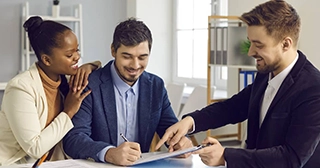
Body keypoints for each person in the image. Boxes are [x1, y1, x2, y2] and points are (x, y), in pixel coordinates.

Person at [155, 1, 320, 168]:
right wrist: (190, 122)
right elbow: (232, 108)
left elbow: (290, 158)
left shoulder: (313, 89)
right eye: (250, 42)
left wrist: (225, 156)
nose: (250, 52)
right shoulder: (265, 74)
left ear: (286, 44)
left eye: (259, 45)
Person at [63, 18, 192, 166]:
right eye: (127, 56)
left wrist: (181, 142)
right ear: (113, 50)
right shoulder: (89, 83)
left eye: (142, 57)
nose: (135, 65)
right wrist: (109, 153)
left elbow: (170, 129)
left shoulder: (155, 86)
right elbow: (73, 139)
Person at [0, 16, 101, 166]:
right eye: (69, 55)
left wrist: (90, 66)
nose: (77, 57)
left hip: (53, 163)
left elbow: (102, 69)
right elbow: (35, 148)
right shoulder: (20, 88)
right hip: (17, 164)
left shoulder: (64, 80)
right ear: (47, 60)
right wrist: (68, 112)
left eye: (77, 50)